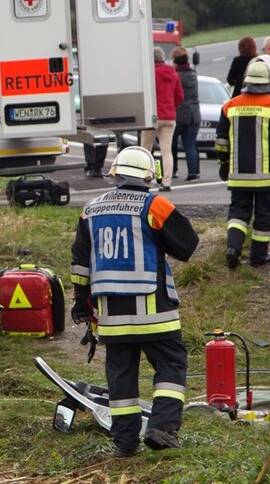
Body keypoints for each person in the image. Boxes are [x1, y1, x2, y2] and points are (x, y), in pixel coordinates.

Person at [68, 146, 199, 457]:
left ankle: (125, 444)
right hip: (155, 314)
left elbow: (80, 264)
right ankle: (162, 428)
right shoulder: (156, 205)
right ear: (149, 176)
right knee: (171, 364)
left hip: (112, 316)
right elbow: (187, 246)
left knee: (120, 377)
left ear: (115, 174)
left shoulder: (90, 210)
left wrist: (81, 303)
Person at [217, 59, 270, 269]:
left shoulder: (230, 106)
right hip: (266, 178)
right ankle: (258, 256)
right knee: (264, 215)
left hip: (238, 176)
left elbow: (221, 141)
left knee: (238, 213)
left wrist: (223, 164)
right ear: (268, 82)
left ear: (246, 81)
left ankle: (233, 249)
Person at [140, 47, 183, 191]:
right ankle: (166, 182)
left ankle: (146, 178)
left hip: (152, 117)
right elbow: (179, 96)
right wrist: (171, 107)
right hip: (169, 117)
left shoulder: (150, 73)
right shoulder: (173, 73)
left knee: (146, 149)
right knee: (167, 151)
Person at [170, 46, 201, 181]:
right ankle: (193, 172)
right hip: (194, 114)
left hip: (179, 114)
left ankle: (172, 170)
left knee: (170, 143)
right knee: (190, 144)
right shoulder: (193, 75)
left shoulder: (175, 76)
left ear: (174, 61)